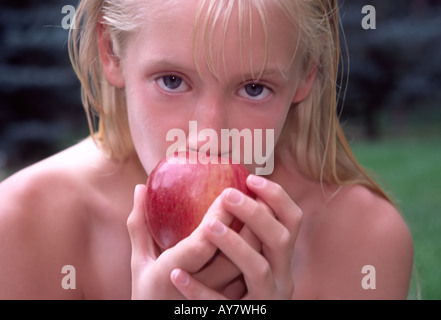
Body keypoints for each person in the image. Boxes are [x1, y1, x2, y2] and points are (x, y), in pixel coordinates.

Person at [0, 0, 413, 299]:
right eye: (172, 81)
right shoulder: (25, 226)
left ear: (306, 74)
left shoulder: (363, 240)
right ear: (110, 50)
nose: (209, 136)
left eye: (254, 88)